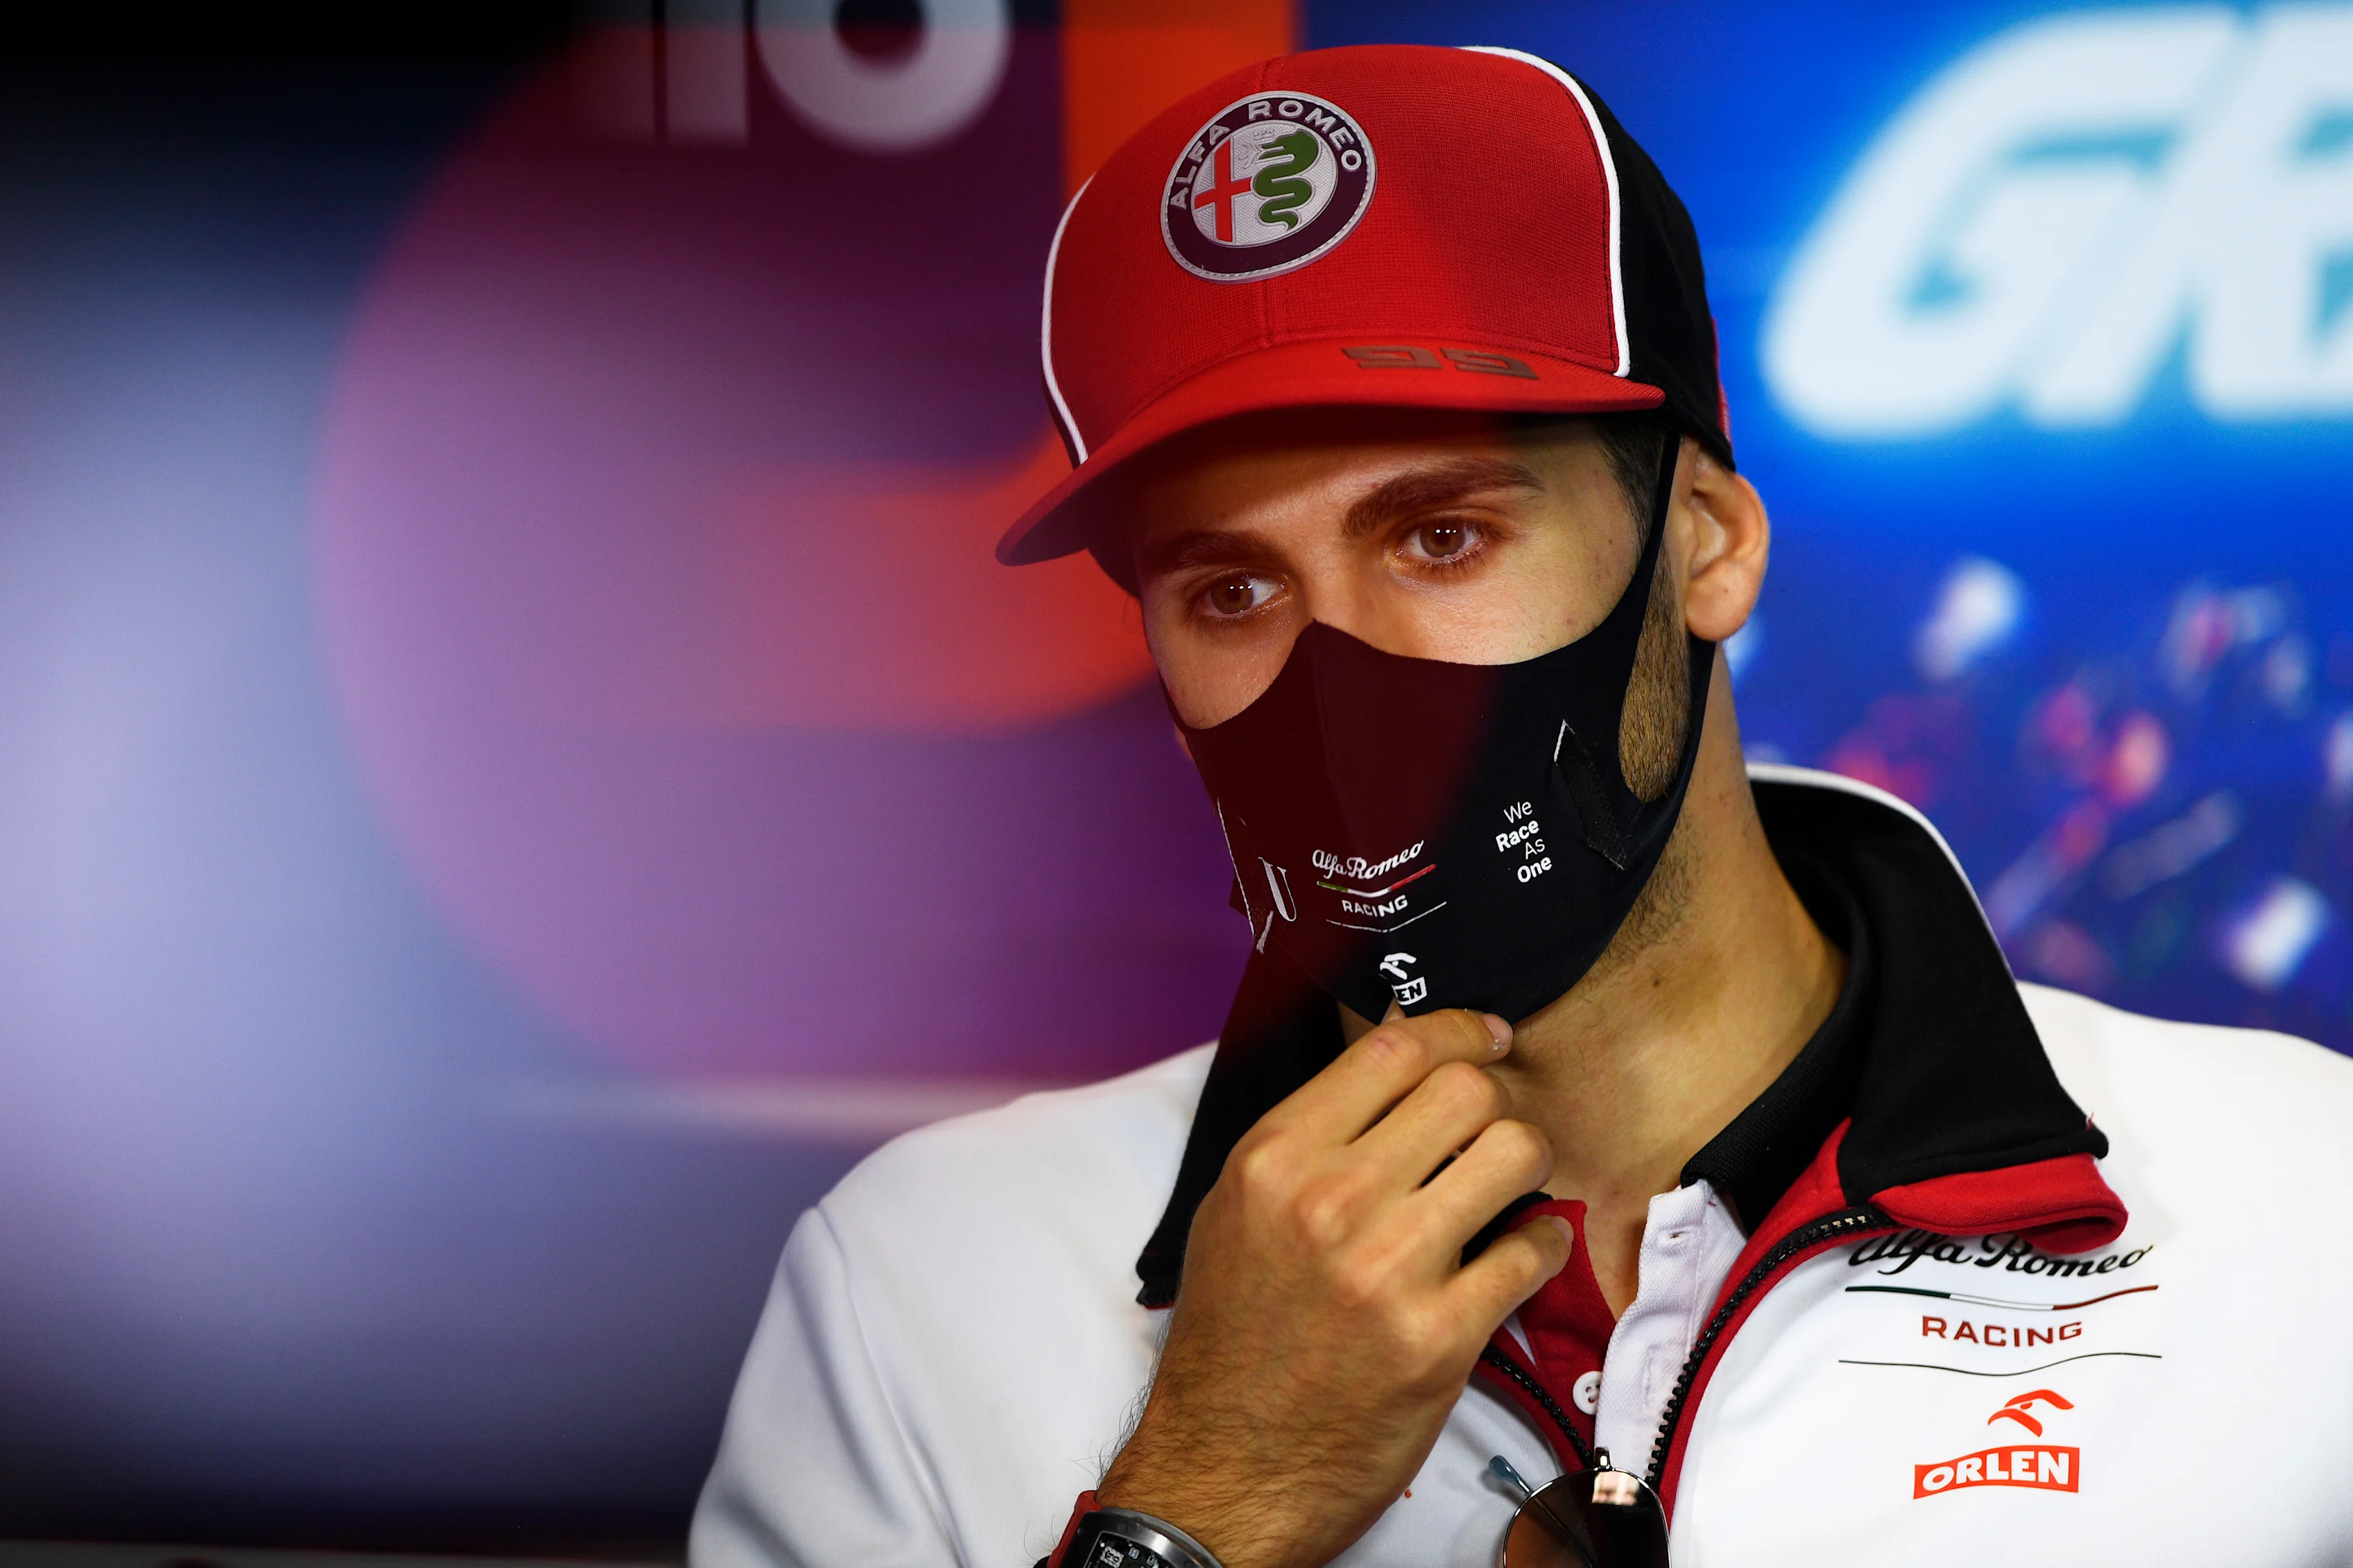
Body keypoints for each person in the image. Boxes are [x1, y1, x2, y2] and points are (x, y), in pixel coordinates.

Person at [690, 44, 2353, 1568]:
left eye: (1441, 537)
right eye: (1228, 588)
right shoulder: (922, 1285)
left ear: (1706, 541)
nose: (1337, 678)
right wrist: (1202, 1503)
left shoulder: (2301, 1205)